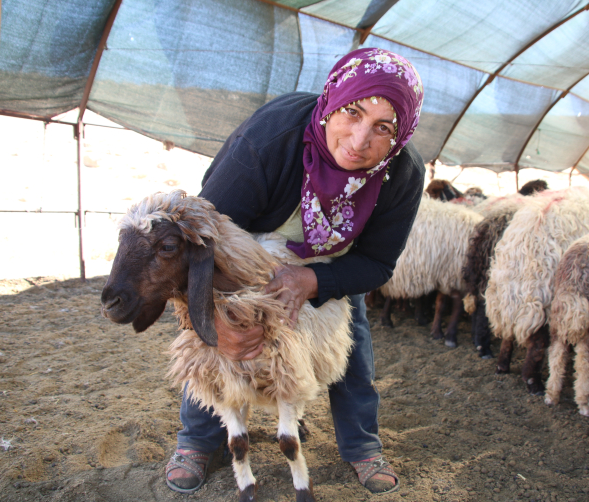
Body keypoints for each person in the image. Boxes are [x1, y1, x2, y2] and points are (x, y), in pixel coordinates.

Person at [164, 47, 425, 496]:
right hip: (245, 244)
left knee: (352, 340)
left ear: (399, 136)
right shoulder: (269, 140)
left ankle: (362, 445)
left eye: (382, 128)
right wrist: (212, 323)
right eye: (352, 112)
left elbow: (379, 262)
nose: (360, 139)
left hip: (333, 258)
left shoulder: (400, 174)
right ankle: (197, 441)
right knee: (218, 342)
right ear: (331, 102)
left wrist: (316, 281)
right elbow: (200, 245)